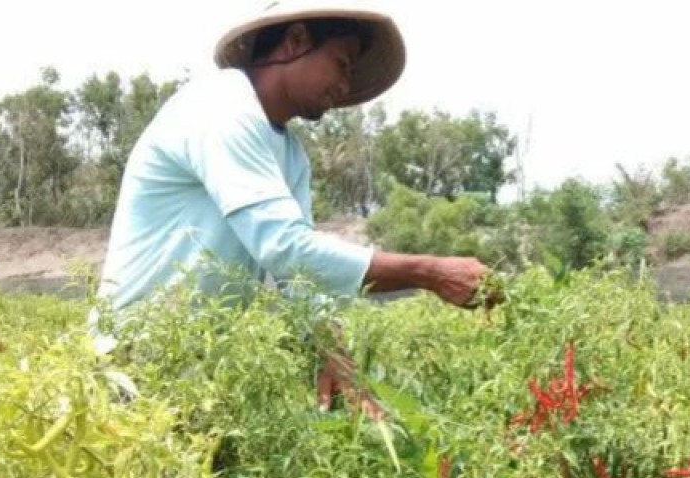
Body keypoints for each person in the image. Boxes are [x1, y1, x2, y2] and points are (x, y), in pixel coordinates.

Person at [94, 1, 498, 410]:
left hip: (196, 377)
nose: (345, 86)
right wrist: (428, 272)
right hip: (132, 362)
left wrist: (337, 358)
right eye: (342, 64)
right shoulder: (220, 106)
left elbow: (298, 280)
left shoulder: (290, 155)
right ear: (296, 41)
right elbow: (285, 248)